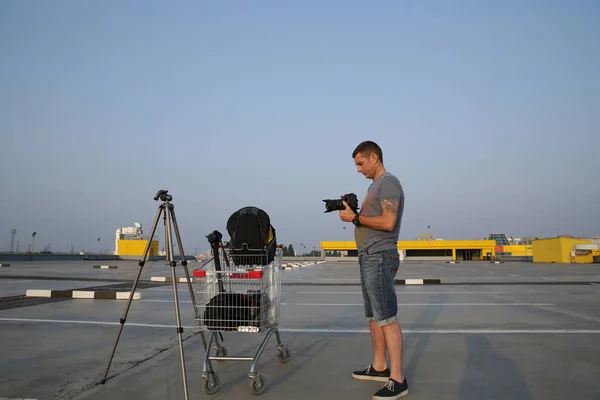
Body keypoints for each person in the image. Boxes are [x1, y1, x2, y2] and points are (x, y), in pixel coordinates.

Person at [338, 140, 408, 399]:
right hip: (369, 257)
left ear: (374, 157)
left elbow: (388, 222)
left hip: (380, 256)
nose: (358, 169)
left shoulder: (388, 182)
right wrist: (354, 213)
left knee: (387, 317)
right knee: (374, 316)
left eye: (361, 163)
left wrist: (355, 218)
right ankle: (380, 367)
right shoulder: (374, 187)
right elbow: (372, 221)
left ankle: (398, 379)